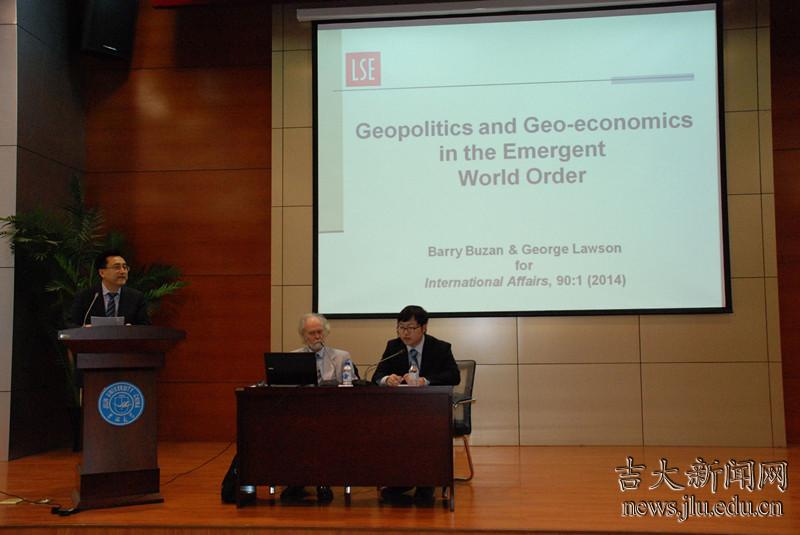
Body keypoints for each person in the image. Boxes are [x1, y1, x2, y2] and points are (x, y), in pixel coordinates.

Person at [373, 305, 460, 505]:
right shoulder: (393, 347)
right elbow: (377, 375)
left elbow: (453, 376)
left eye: (411, 328)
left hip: (432, 411)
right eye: (401, 327)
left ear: (424, 327)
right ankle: (401, 480)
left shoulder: (440, 347)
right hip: (400, 412)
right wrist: (387, 379)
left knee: (426, 431)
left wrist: (425, 381)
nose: (405, 333)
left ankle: (426, 482)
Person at [280, 313, 357, 504]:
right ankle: (296, 480)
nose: (317, 337)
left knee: (322, 433)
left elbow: (353, 388)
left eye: (319, 332)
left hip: (333, 415)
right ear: (303, 335)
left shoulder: (341, 356)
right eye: (312, 333)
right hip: (302, 415)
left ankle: (323, 481)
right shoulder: (293, 358)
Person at [69, 250, 149, 327]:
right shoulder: (85, 296)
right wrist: (84, 329)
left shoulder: (136, 297)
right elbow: (71, 324)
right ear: (102, 273)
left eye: (125, 267)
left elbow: (145, 327)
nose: (123, 271)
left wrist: (133, 329)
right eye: (117, 267)